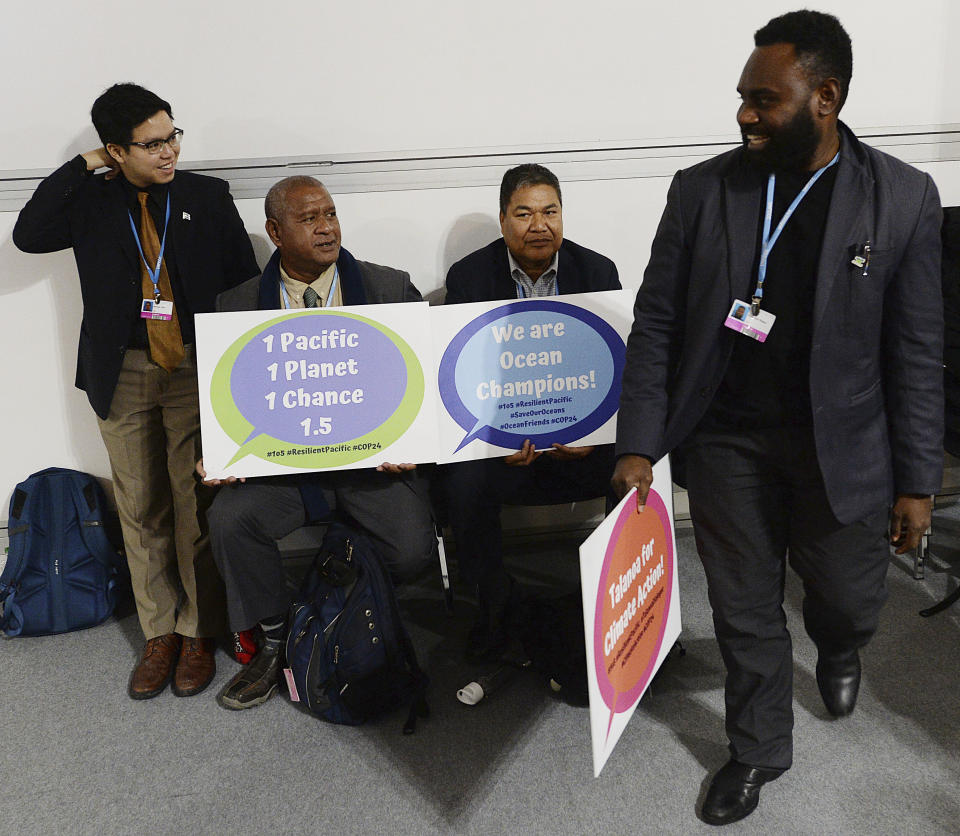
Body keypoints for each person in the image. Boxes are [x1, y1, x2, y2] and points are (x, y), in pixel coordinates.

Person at [612, 11, 943, 825]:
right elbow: (657, 322)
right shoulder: (703, 189)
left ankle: (837, 644)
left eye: (765, 100)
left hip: (846, 443)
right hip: (726, 437)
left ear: (824, 97)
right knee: (745, 605)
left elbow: (917, 349)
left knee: (849, 597)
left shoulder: (901, 196)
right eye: (741, 98)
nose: (745, 116)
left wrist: (918, 481)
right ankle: (758, 749)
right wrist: (639, 444)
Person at [13, 83, 260, 700]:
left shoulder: (206, 196)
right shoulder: (90, 201)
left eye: (173, 135)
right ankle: (159, 633)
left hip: (195, 367)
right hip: (119, 369)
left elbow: (243, 285)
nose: (169, 152)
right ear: (115, 151)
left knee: (193, 505)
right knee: (140, 504)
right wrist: (84, 163)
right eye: (151, 144)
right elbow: (27, 234)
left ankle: (199, 630)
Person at [196, 176, 437, 710]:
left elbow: (428, 380)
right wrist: (215, 451)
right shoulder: (234, 305)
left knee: (413, 552)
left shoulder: (389, 287)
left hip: (374, 467)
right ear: (275, 231)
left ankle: (340, 609)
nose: (327, 226)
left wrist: (416, 439)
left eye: (330, 213)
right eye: (309, 219)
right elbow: (224, 399)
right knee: (230, 519)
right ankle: (278, 638)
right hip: (288, 472)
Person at [442, 163, 620, 660]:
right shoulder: (471, 277)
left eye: (550, 212)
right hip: (506, 450)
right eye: (524, 214)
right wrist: (497, 446)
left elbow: (609, 368)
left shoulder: (597, 272)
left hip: (581, 447)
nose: (539, 225)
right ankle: (494, 607)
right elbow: (462, 378)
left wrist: (598, 433)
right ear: (503, 221)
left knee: (634, 462)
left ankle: (614, 600)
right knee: (462, 479)